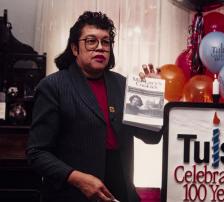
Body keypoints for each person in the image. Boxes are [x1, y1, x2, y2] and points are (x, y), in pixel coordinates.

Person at [26, 11, 162, 202]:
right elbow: (37, 153)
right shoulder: (53, 87)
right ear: (75, 48)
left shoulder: (123, 85)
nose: (100, 48)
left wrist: (152, 97)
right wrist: (78, 179)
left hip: (121, 192)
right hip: (72, 194)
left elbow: (151, 137)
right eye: (91, 41)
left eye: (105, 42)